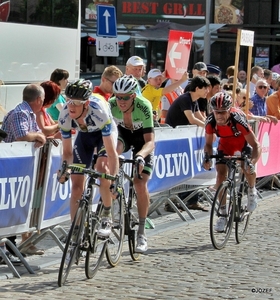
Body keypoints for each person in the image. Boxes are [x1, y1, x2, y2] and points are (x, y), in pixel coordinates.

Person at [57, 79, 119, 238]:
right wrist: (64, 169)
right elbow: (67, 153)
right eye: (69, 100)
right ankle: (75, 230)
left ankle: (106, 215)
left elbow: (111, 153)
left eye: (76, 102)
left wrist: (114, 179)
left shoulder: (99, 111)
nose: (71, 105)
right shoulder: (64, 115)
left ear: (86, 103)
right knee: (76, 186)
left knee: (101, 169)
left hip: (103, 134)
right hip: (84, 136)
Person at [109, 75, 155, 253]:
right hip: (123, 137)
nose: (120, 101)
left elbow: (150, 142)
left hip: (142, 140)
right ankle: (109, 209)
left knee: (139, 182)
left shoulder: (144, 106)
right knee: (111, 157)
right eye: (117, 96)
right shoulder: (111, 104)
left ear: (133, 96)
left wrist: (142, 156)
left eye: (125, 97)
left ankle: (142, 233)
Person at [203, 92, 261, 231]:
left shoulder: (238, 119)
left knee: (246, 167)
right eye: (216, 112)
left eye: (223, 112)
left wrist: (252, 162)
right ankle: (223, 214)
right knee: (220, 174)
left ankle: (252, 191)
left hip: (243, 142)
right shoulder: (210, 121)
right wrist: (207, 157)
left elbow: (256, 145)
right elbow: (209, 144)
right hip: (225, 144)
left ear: (229, 110)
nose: (219, 116)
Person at [1, 84, 46, 256]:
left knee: (17, 205)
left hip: (19, 169)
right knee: (11, 207)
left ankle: (14, 247)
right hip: (13, 168)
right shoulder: (21, 113)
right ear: (39, 100)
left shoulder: (27, 112)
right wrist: (38, 136)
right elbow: (22, 135)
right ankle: (9, 249)